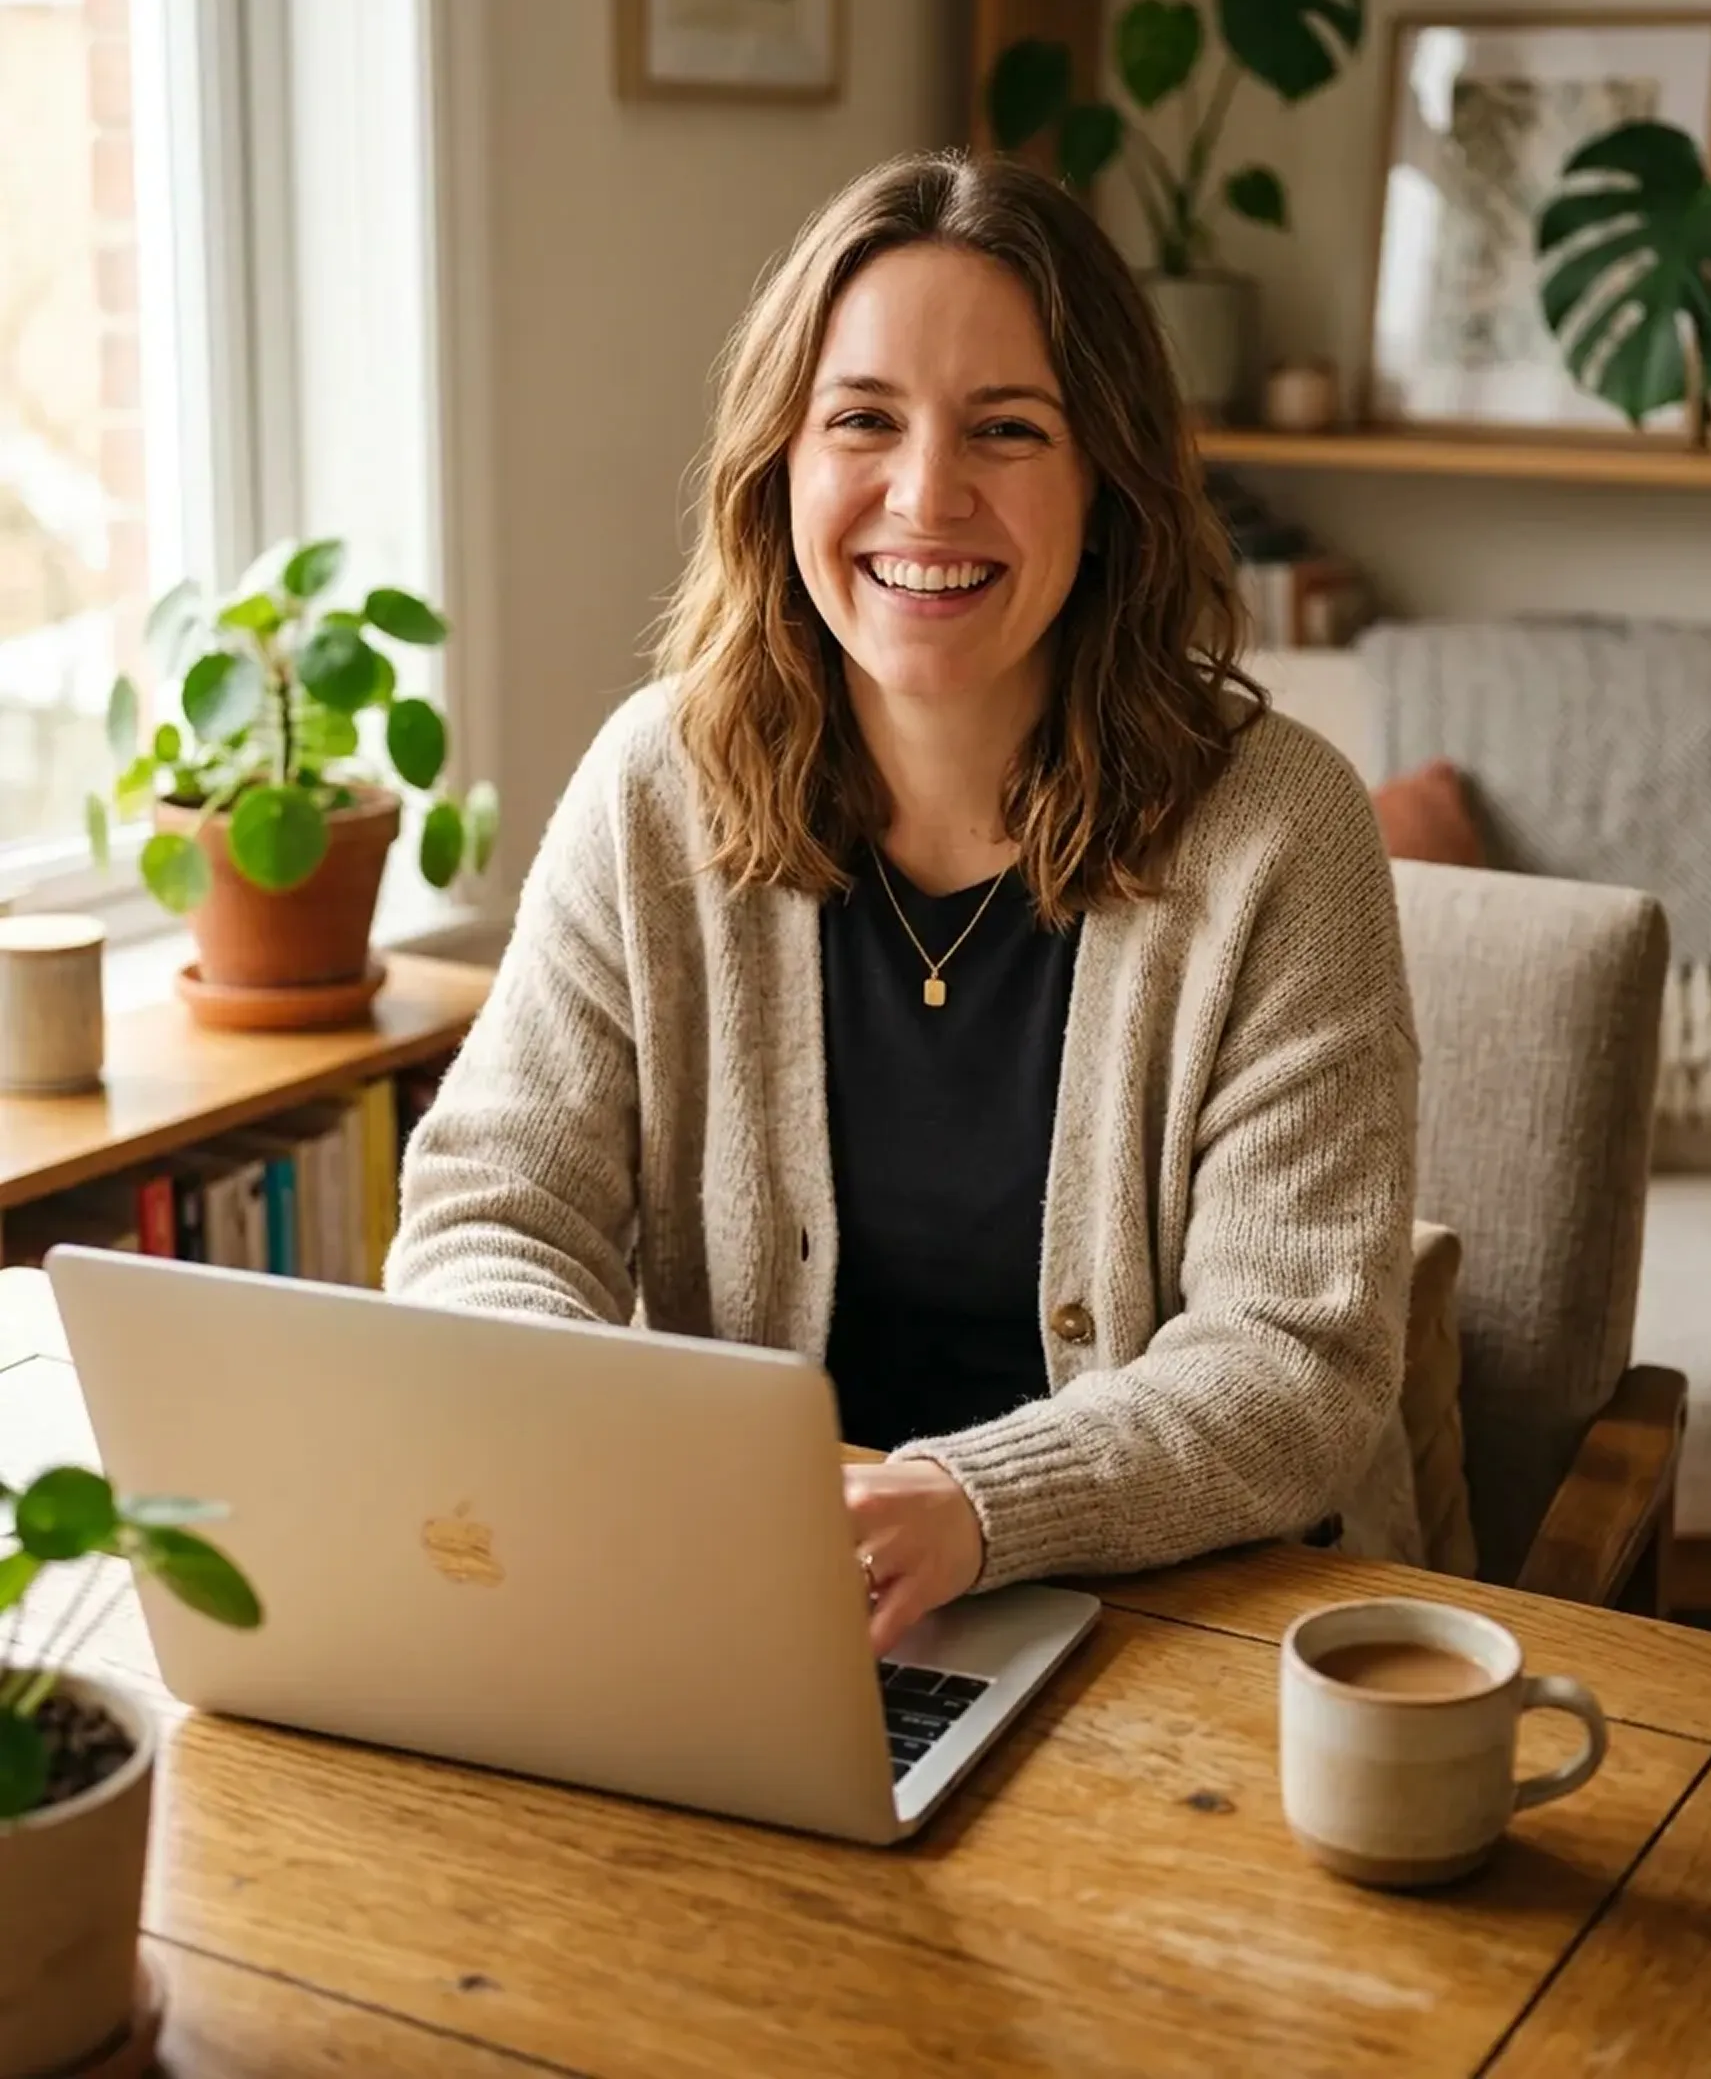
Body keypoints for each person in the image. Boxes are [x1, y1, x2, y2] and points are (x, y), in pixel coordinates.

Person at [385, 150, 1422, 1655]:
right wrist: (595, 1432)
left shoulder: (1282, 834)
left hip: (1195, 1616)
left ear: (1107, 479)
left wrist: (976, 1504)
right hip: (754, 1606)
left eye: (1008, 429)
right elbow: (490, 1206)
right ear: (782, 465)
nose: (926, 496)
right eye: (862, 421)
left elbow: (1297, 1361)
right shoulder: (654, 788)